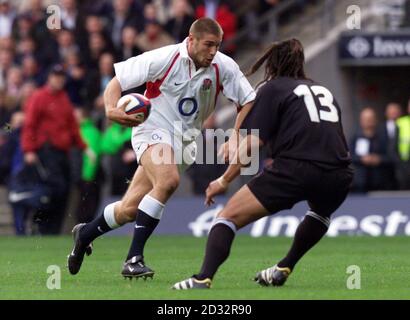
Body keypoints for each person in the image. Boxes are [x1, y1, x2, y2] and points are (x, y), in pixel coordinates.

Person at [67, 18, 256, 279]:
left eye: (218, 46)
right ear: (191, 40)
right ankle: (134, 259)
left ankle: (85, 233)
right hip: (151, 130)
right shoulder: (165, 57)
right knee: (168, 181)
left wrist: (235, 136)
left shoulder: (223, 66)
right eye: (208, 45)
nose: (213, 51)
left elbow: (248, 101)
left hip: (185, 142)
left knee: (130, 209)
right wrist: (111, 109)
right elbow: (117, 82)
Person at [172, 38, 353, 290]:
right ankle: (283, 267)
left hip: (296, 169)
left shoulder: (273, 88)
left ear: (272, 65)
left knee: (226, 218)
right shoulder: (323, 91)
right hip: (339, 174)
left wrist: (223, 180)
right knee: (320, 213)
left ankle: (202, 278)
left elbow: (253, 144)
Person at [21, 64, 86, 234]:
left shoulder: (64, 99)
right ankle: (41, 224)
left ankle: (52, 230)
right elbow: (30, 124)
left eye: (61, 77)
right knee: (55, 187)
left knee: (64, 191)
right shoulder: (39, 97)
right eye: (56, 76)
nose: (59, 80)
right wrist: (28, 149)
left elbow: (72, 127)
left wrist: (83, 146)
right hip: (47, 150)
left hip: (63, 152)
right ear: (49, 78)